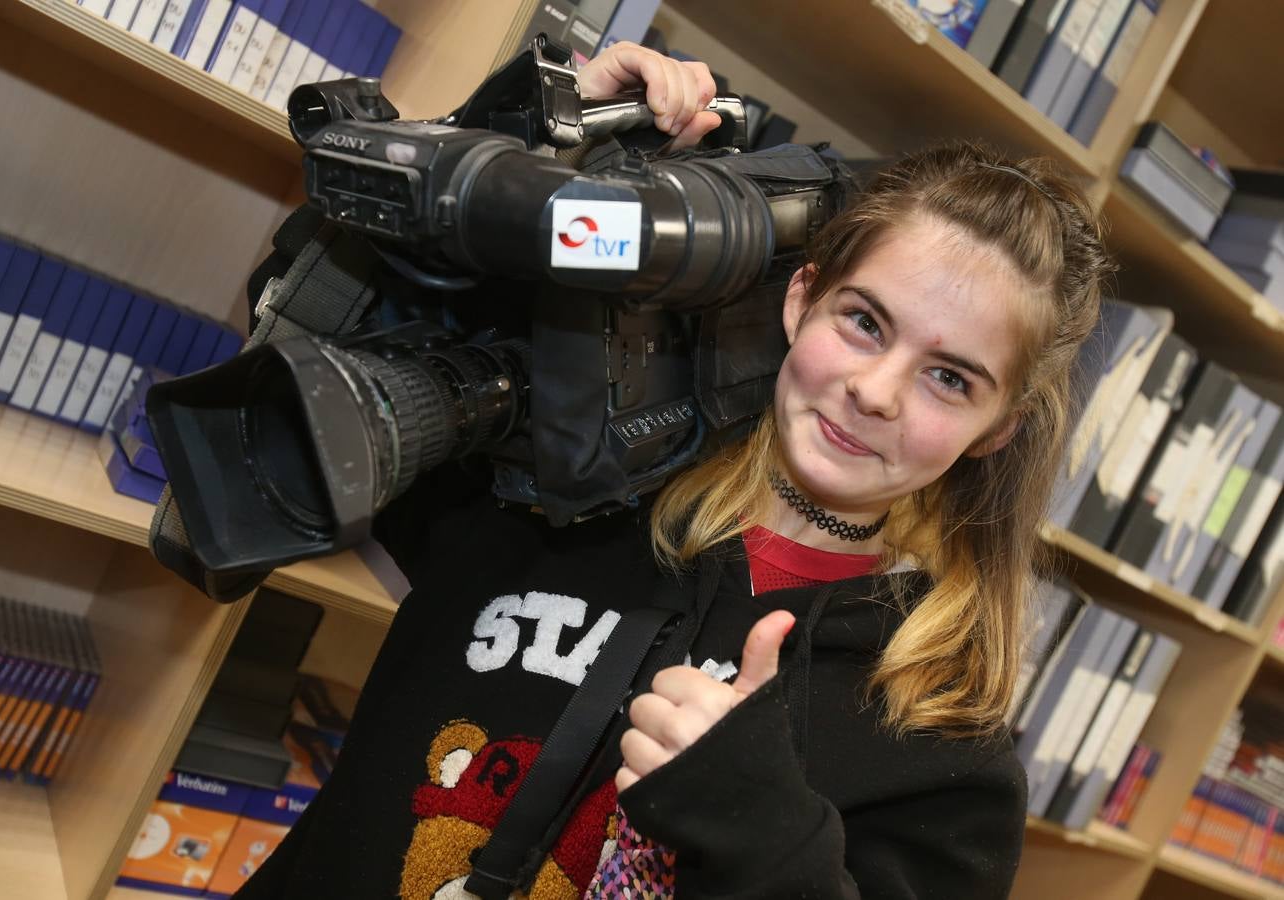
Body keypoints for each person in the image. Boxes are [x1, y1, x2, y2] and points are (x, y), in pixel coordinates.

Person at [233, 40, 1113, 900]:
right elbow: (301, 350)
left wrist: (758, 822)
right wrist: (529, 150)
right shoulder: (563, 478)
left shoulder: (942, 747)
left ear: (1000, 428)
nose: (875, 391)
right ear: (801, 300)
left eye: (950, 378)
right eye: (865, 322)